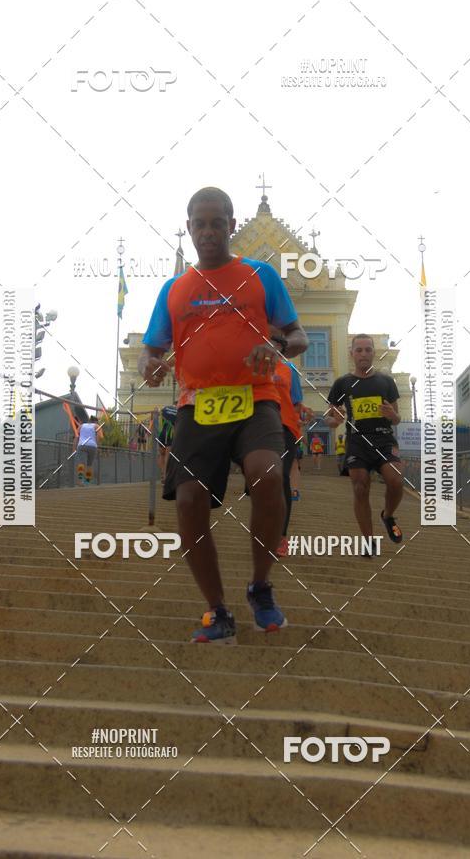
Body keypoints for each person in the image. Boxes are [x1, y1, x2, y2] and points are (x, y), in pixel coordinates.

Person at [138, 186, 308, 643]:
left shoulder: (260, 275)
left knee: (269, 475)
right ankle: (217, 610)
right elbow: (150, 349)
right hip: (198, 405)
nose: (209, 231)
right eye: (200, 223)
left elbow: (298, 336)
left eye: (218, 222)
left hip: (256, 398)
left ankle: (260, 587)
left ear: (232, 226)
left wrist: (272, 346)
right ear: (189, 227)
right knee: (189, 502)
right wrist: (150, 364)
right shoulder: (174, 290)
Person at [327, 334, 404, 553]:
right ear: (352, 353)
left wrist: (392, 415)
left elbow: (397, 418)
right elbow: (329, 419)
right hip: (357, 442)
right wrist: (336, 420)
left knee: (396, 480)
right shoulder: (342, 383)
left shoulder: (386, 382)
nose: (363, 354)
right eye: (359, 350)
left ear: (373, 353)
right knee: (360, 487)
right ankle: (369, 541)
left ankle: (387, 515)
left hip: (383, 439)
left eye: (368, 349)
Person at [267, 338, 314, 557]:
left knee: (281, 476)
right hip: (257, 428)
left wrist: (301, 413)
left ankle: (280, 536)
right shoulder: (247, 366)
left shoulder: (288, 369)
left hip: (285, 427)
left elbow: (295, 403)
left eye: (275, 342)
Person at [74, 415, 102, 485]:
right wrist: (96, 445)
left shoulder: (81, 426)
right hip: (92, 446)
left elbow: (76, 437)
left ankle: (80, 481)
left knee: (81, 464)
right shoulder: (97, 426)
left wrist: (74, 448)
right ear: (96, 421)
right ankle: (87, 481)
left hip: (82, 445)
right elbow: (100, 436)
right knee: (90, 465)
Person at [158, 402, 178, 480]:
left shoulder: (164, 409)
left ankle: (163, 473)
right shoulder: (179, 412)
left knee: (162, 454)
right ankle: (166, 476)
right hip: (170, 433)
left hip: (162, 433)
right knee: (167, 454)